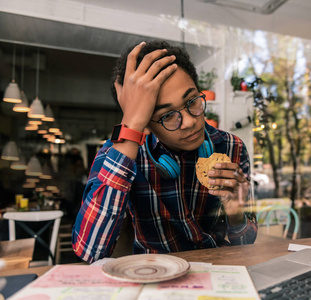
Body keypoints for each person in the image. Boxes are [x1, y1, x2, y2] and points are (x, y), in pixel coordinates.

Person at [72, 40, 257, 263]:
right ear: (145, 122)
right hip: (154, 277)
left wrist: (236, 215)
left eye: (192, 101)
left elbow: (246, 245)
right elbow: (90, 251)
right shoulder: (117, 154)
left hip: (217, 272)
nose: (189, 122)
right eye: (167, 115)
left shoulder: (231, 147)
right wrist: (131, 125)